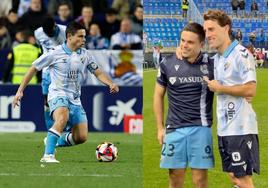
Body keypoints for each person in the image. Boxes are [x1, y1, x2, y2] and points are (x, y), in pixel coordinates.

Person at [12, 22, 119, 163]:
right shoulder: (55, 53)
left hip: (75, 98)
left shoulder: (85, 55)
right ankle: (48, 156)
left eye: (84, 36)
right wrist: (20, 91)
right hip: (57, 93)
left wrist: (110, 83)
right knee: (62, 117)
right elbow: (33, 68)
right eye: (80, 36)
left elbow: (98, 72)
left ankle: (53, 140)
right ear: (69, 36)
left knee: (81, 137)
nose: (84, 40)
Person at [154, 22, 214, 188]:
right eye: (182, 40)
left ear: (201, 45)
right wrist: (160, 128)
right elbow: (158, 95)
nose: (184, 45)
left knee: (200, 180)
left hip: (200, 128)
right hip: (173, 128)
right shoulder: (167, 63)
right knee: (174, 176)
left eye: (190, 42)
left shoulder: (212, 64)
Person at [203, 10, 259, 188]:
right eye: (205, 30)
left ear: (226, 28)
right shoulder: (218, 57)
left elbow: (251, 88)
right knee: (234, 176)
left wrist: (220, 88)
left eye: (211, 29)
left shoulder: (241, 54)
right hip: (225, 128)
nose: (207, 35)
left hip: (240, 127)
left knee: (242, 179)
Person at [34, 16, 66, 130]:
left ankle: (65, 127)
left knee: (63, 99)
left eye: (50, 32)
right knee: (46, 100)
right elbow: (41, 47)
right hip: (47, 70)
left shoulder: (65, 32)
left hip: (62, 70)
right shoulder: (38, 33)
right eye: (46, 33)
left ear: (55, 26)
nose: (49, 34)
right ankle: (50, 129)